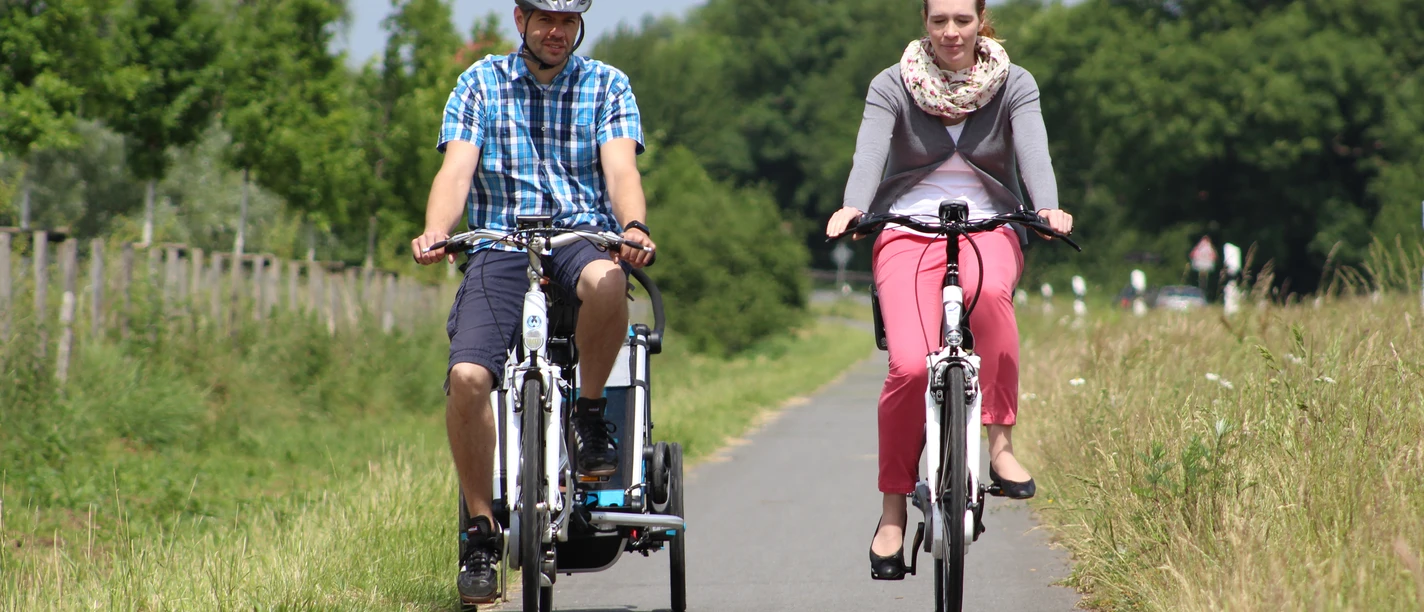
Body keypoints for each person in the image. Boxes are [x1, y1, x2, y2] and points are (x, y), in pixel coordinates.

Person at [409, 0, 654, 603]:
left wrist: (634, 226)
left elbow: (620, 169)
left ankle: (589, 418)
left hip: (579, 239)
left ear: (579, 26)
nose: (556, 32)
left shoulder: (606, 84)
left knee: (609, 282)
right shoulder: (480, 83)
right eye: (545, 18)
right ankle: (479, 531)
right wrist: (437, 229)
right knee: (468, 377)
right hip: (499, 245)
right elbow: (457, 171)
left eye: (568, 21)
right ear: (520, 19)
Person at [823, 0, 1075, 581]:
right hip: (908, 229)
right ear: (925, 23)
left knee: (991, 304)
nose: (951, 32)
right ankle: (892, 514)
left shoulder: (1014, 83)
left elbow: (1034, 152)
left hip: (989, 225)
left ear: (979, 19)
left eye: (962, 19)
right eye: (940, 20)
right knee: (910, 366)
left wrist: (1047, 208)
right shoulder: (892, 83)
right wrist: (855, 207)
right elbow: (870, 154)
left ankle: (1000, 446)